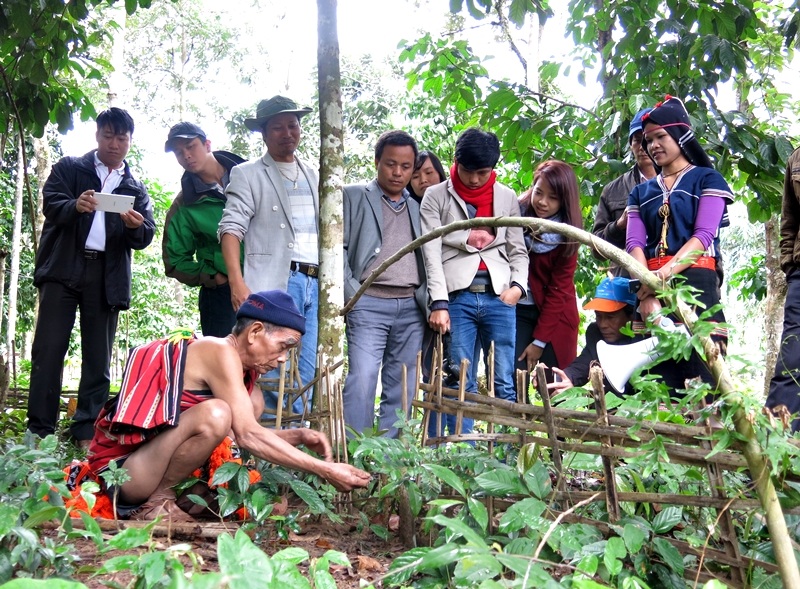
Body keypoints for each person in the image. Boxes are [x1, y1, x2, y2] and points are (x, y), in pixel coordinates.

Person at [87, 290, 371, 521]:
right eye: (283, 346)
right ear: (255, 331)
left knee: (251, 402)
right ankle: (158, 502)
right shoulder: (219, 350)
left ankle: (186, 498)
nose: (283, 358)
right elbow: (248, 436)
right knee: (217, 414)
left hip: (151, 468)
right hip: (125, 475)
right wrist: (325, 470)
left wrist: (299, 435)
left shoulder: (245, 378)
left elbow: (239, 435)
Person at [27, 107, 155, 449]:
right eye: (108, 136)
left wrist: (135, 226)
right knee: (48, 350)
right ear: (97, 135)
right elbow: (51, 204)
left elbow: (146, 235)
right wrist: (75, 205)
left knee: (98, 357)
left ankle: (87, 431)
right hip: (63, 269)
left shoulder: (134, 187)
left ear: (130, 141)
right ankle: (39, 432)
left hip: (106, 276)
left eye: (121, 138)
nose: (114, 144)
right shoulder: (71, 168)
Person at [421, 128, 528, 436]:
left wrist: (518, 288)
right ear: (456, 162)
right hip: (457, 298)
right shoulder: (435, 195)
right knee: (460, 378)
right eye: (469, 171)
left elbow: (518, 250)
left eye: (483, 172)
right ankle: (462, 452)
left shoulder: (506, 196)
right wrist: (439, 302)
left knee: (503, 380)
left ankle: (506, 454)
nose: (475, 179)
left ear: (493, 168)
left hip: (499, 296)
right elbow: (430, 253)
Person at [218, 96, 319, 415]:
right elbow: (230, 229)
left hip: (315, 282)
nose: (287, 133)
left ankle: (295, 434)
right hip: (276, 281)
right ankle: (263, 437)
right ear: (263, 133)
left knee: (306, 368)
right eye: (277, 127)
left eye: (293, 125)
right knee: (269, 365)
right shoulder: (247, 173)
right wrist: (237, 282)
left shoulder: (314, 174)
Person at [626, 96, 733, 392]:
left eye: (661, 136)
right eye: (648, 140)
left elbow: (703, 237)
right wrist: (645, 290)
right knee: (656, 390)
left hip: (697, 287)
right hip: (649, 289)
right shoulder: (640, 193)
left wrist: (658, 279)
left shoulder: (708, 179)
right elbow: (633, 243)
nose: (653, 145)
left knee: (704, 385)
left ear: (679, 134)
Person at [342, 130, 427, 438]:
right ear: (377, 161)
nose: (397, 173)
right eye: (391, 164)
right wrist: (352, 293)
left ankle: (389, 455)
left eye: (405, 166)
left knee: (403, 382)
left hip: (411, 305)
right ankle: (354, 450)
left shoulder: (419, 206)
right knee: (363, 377)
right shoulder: (353, 195)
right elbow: (337, 247)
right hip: (368, 302)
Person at [162, 122, 245, 337]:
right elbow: (174, 261)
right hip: (221, 296)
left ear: (207, 144)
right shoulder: (185, 204)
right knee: (224, 357)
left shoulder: (250, 175)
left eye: (190, 146)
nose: (186, 156)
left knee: (274, 356)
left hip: (267, 281)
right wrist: (213, 276)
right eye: (179, 152)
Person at [515, 160, 582, 398]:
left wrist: (539, 342)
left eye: (552, 198)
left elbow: (558, 291)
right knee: (513, 379)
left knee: (556, 389)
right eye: (539, 192)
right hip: (519, 310)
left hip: (556, 316)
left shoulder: (568, 233)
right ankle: (515, 423)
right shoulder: (515, 216)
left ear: (564, 200)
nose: (543, 202)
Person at [546, 277, 639, 395]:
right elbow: (584, 364)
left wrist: (584, 395)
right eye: (598, 316)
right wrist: (564, 377)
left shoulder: (645, 339)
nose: (603, 325)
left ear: (632, 316)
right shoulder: (596, 333)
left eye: (610, 317)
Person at [591, 108, 656, 274]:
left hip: (673, 277)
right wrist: (619, 225)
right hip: (627, 281)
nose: (643, 147)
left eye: (648, 139)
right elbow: (596, 250)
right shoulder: (612, 191)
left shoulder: (682, 183)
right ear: (630, 144)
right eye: (638, 140)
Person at [765, 146, 800, 431]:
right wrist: (789, 264)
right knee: (791, 359)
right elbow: (790, 218)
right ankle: (776, 443)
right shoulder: (796, 158)